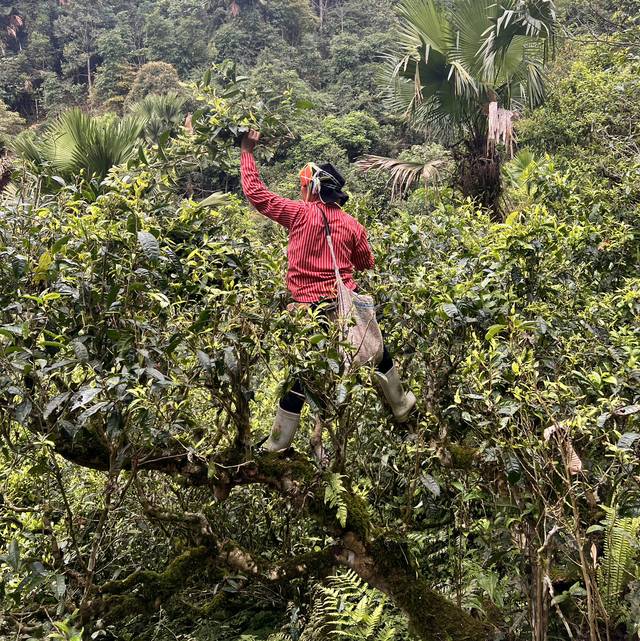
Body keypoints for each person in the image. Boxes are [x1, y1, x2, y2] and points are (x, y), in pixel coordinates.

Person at [240, 129, 416, 451]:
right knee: (376, 349)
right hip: (344, 306)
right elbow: (366, 262)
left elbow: (257, 194)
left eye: (304, 185)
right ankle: (401, 405)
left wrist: (247, 152)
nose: (301, 191)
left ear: (314, 188)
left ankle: (278, 444)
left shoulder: (298, 213)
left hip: (309, 310)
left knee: (302, 375)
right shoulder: (352, 224)